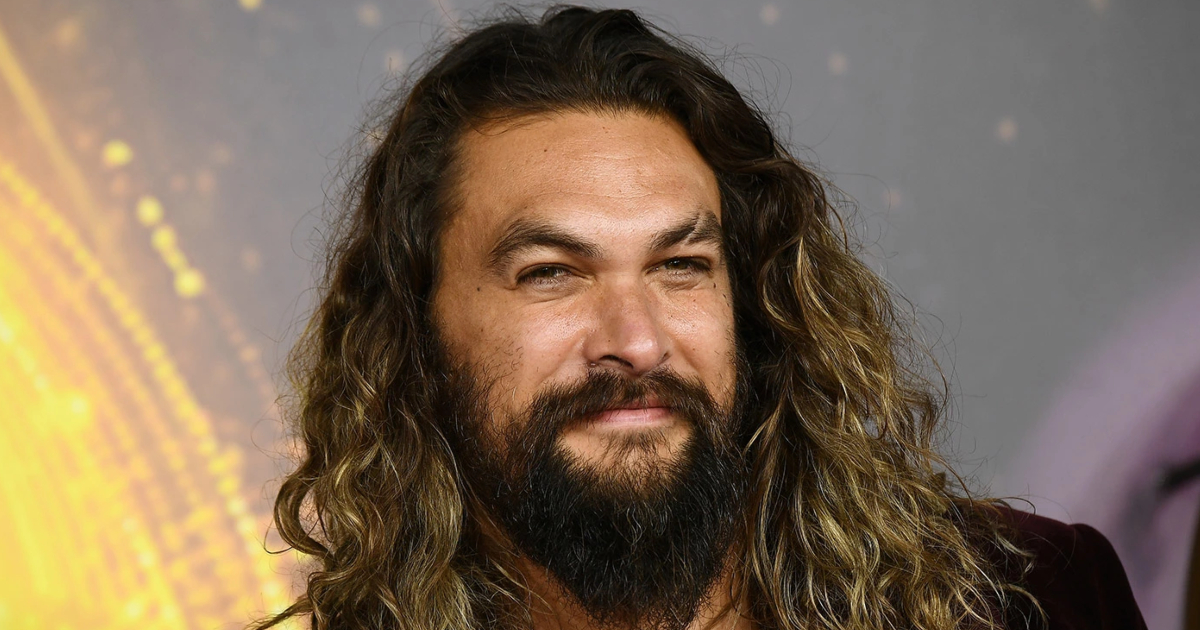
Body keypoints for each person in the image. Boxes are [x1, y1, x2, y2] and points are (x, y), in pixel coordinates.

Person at [253, 7, 1147, 630]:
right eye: (551, 274)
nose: (638, 342)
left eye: (681, 266)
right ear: (416, 336)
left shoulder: (1038, 599)